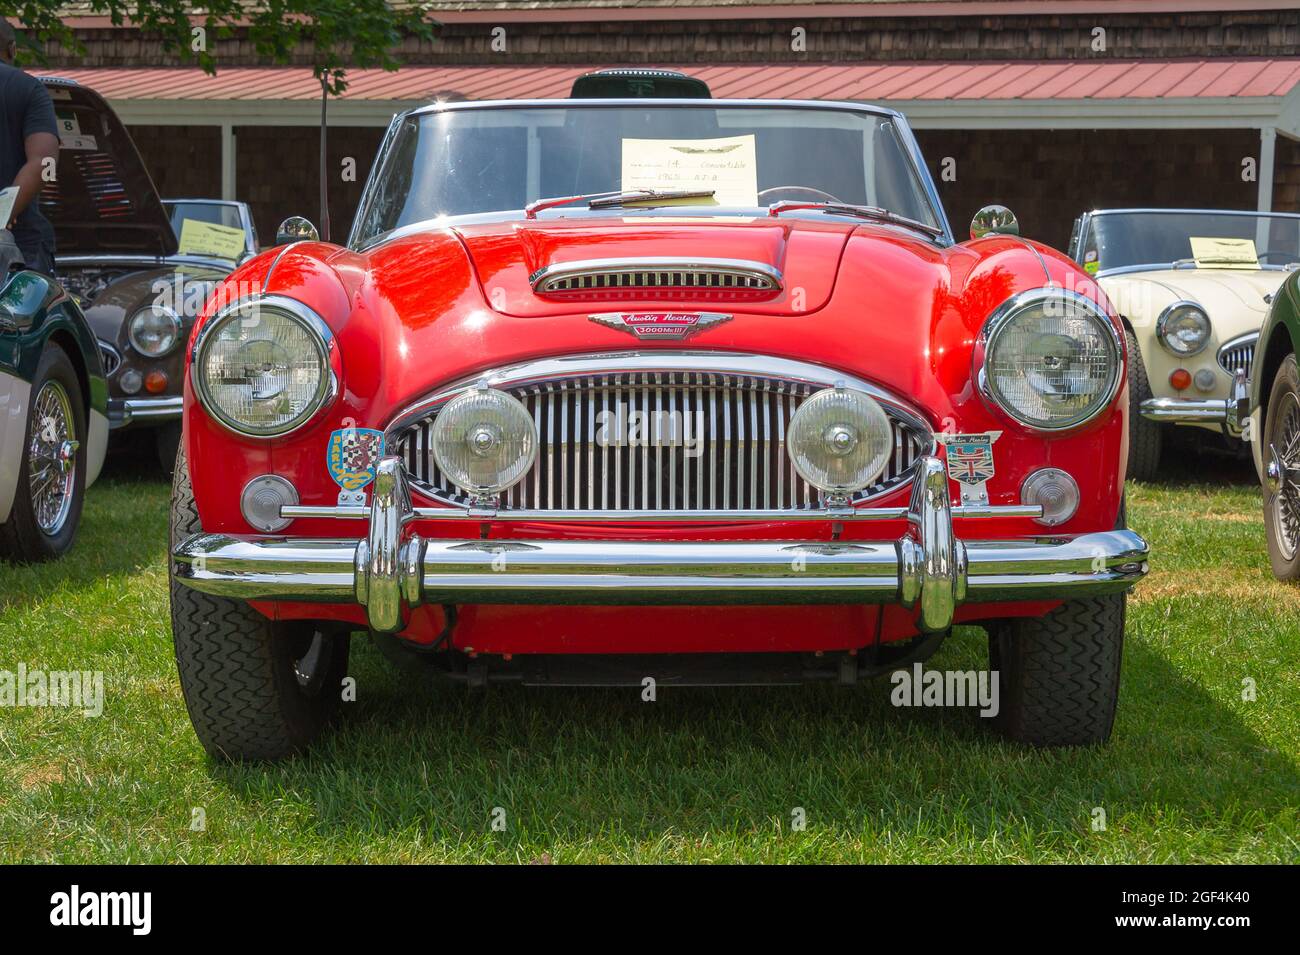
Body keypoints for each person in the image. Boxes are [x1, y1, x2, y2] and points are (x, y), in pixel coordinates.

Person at [0, 18, 58, 273]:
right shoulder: (28, 88)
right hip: (20, 248)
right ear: (12, 49)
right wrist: (4, 211)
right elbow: (46, 163)